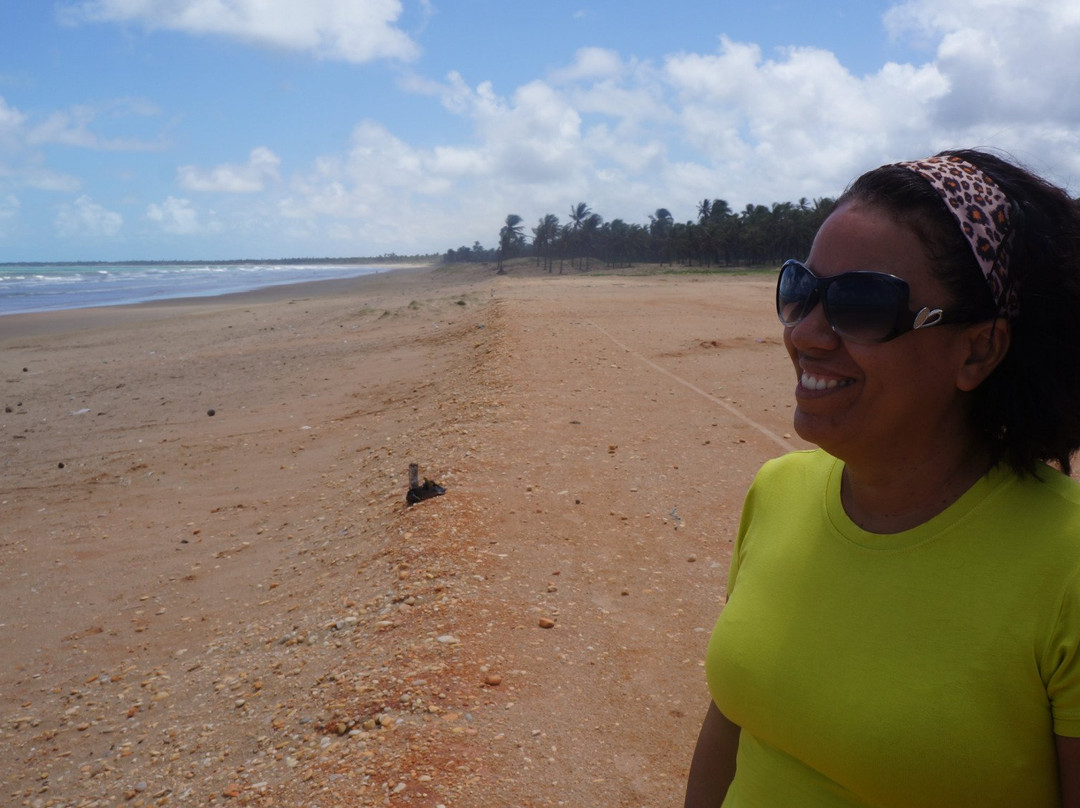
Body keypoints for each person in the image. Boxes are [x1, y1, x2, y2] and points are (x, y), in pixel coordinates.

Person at [684, 149, 1080, 807]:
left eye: (862, 303)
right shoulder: (777, 491)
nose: (806, 333)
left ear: (978, 349)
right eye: (800, 291)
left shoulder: (1066, 564)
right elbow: (734, 721)